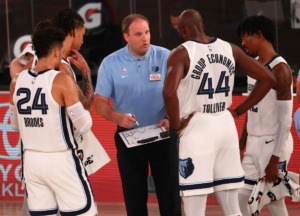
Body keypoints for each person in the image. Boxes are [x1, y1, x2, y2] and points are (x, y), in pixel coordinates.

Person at [162, 9, 276, 216]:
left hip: (198, 125)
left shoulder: (181, 52)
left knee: (195, 203)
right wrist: (238, 111)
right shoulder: (229, 48)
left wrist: (177, 124)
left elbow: (169, 92)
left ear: (181, 30)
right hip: (225, 123)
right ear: (203, 26)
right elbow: (268, 78)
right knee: (232, 207)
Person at [94, 13, 181, 216]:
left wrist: (170, 118)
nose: (145, 38)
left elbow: (180, 94)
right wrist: (117, 117)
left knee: (170, 198)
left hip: (163, 135)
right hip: (129, 138)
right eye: (139, 34)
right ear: (126, 37)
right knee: (134, 199)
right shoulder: (110, 63)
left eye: (147, 32)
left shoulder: (166, 56)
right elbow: (99, 103)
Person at [9, 26, 97, 216]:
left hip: (31, 161)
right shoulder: (61, 80)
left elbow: (15, 125)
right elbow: (84, 125)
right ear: (57, 51)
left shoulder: (16, 81)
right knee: (83, 213)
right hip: (60, 158)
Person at [237, 15, 293, 216]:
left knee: (275, 202)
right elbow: (254, 106)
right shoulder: (254, 66)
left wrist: (275, 159)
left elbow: (285, 119)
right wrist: (243, 138)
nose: (242, 43)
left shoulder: (281, 69)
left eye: (245, 37)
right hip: (254, 142)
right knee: (241, 198)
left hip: (273, 145)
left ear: (259, 35)